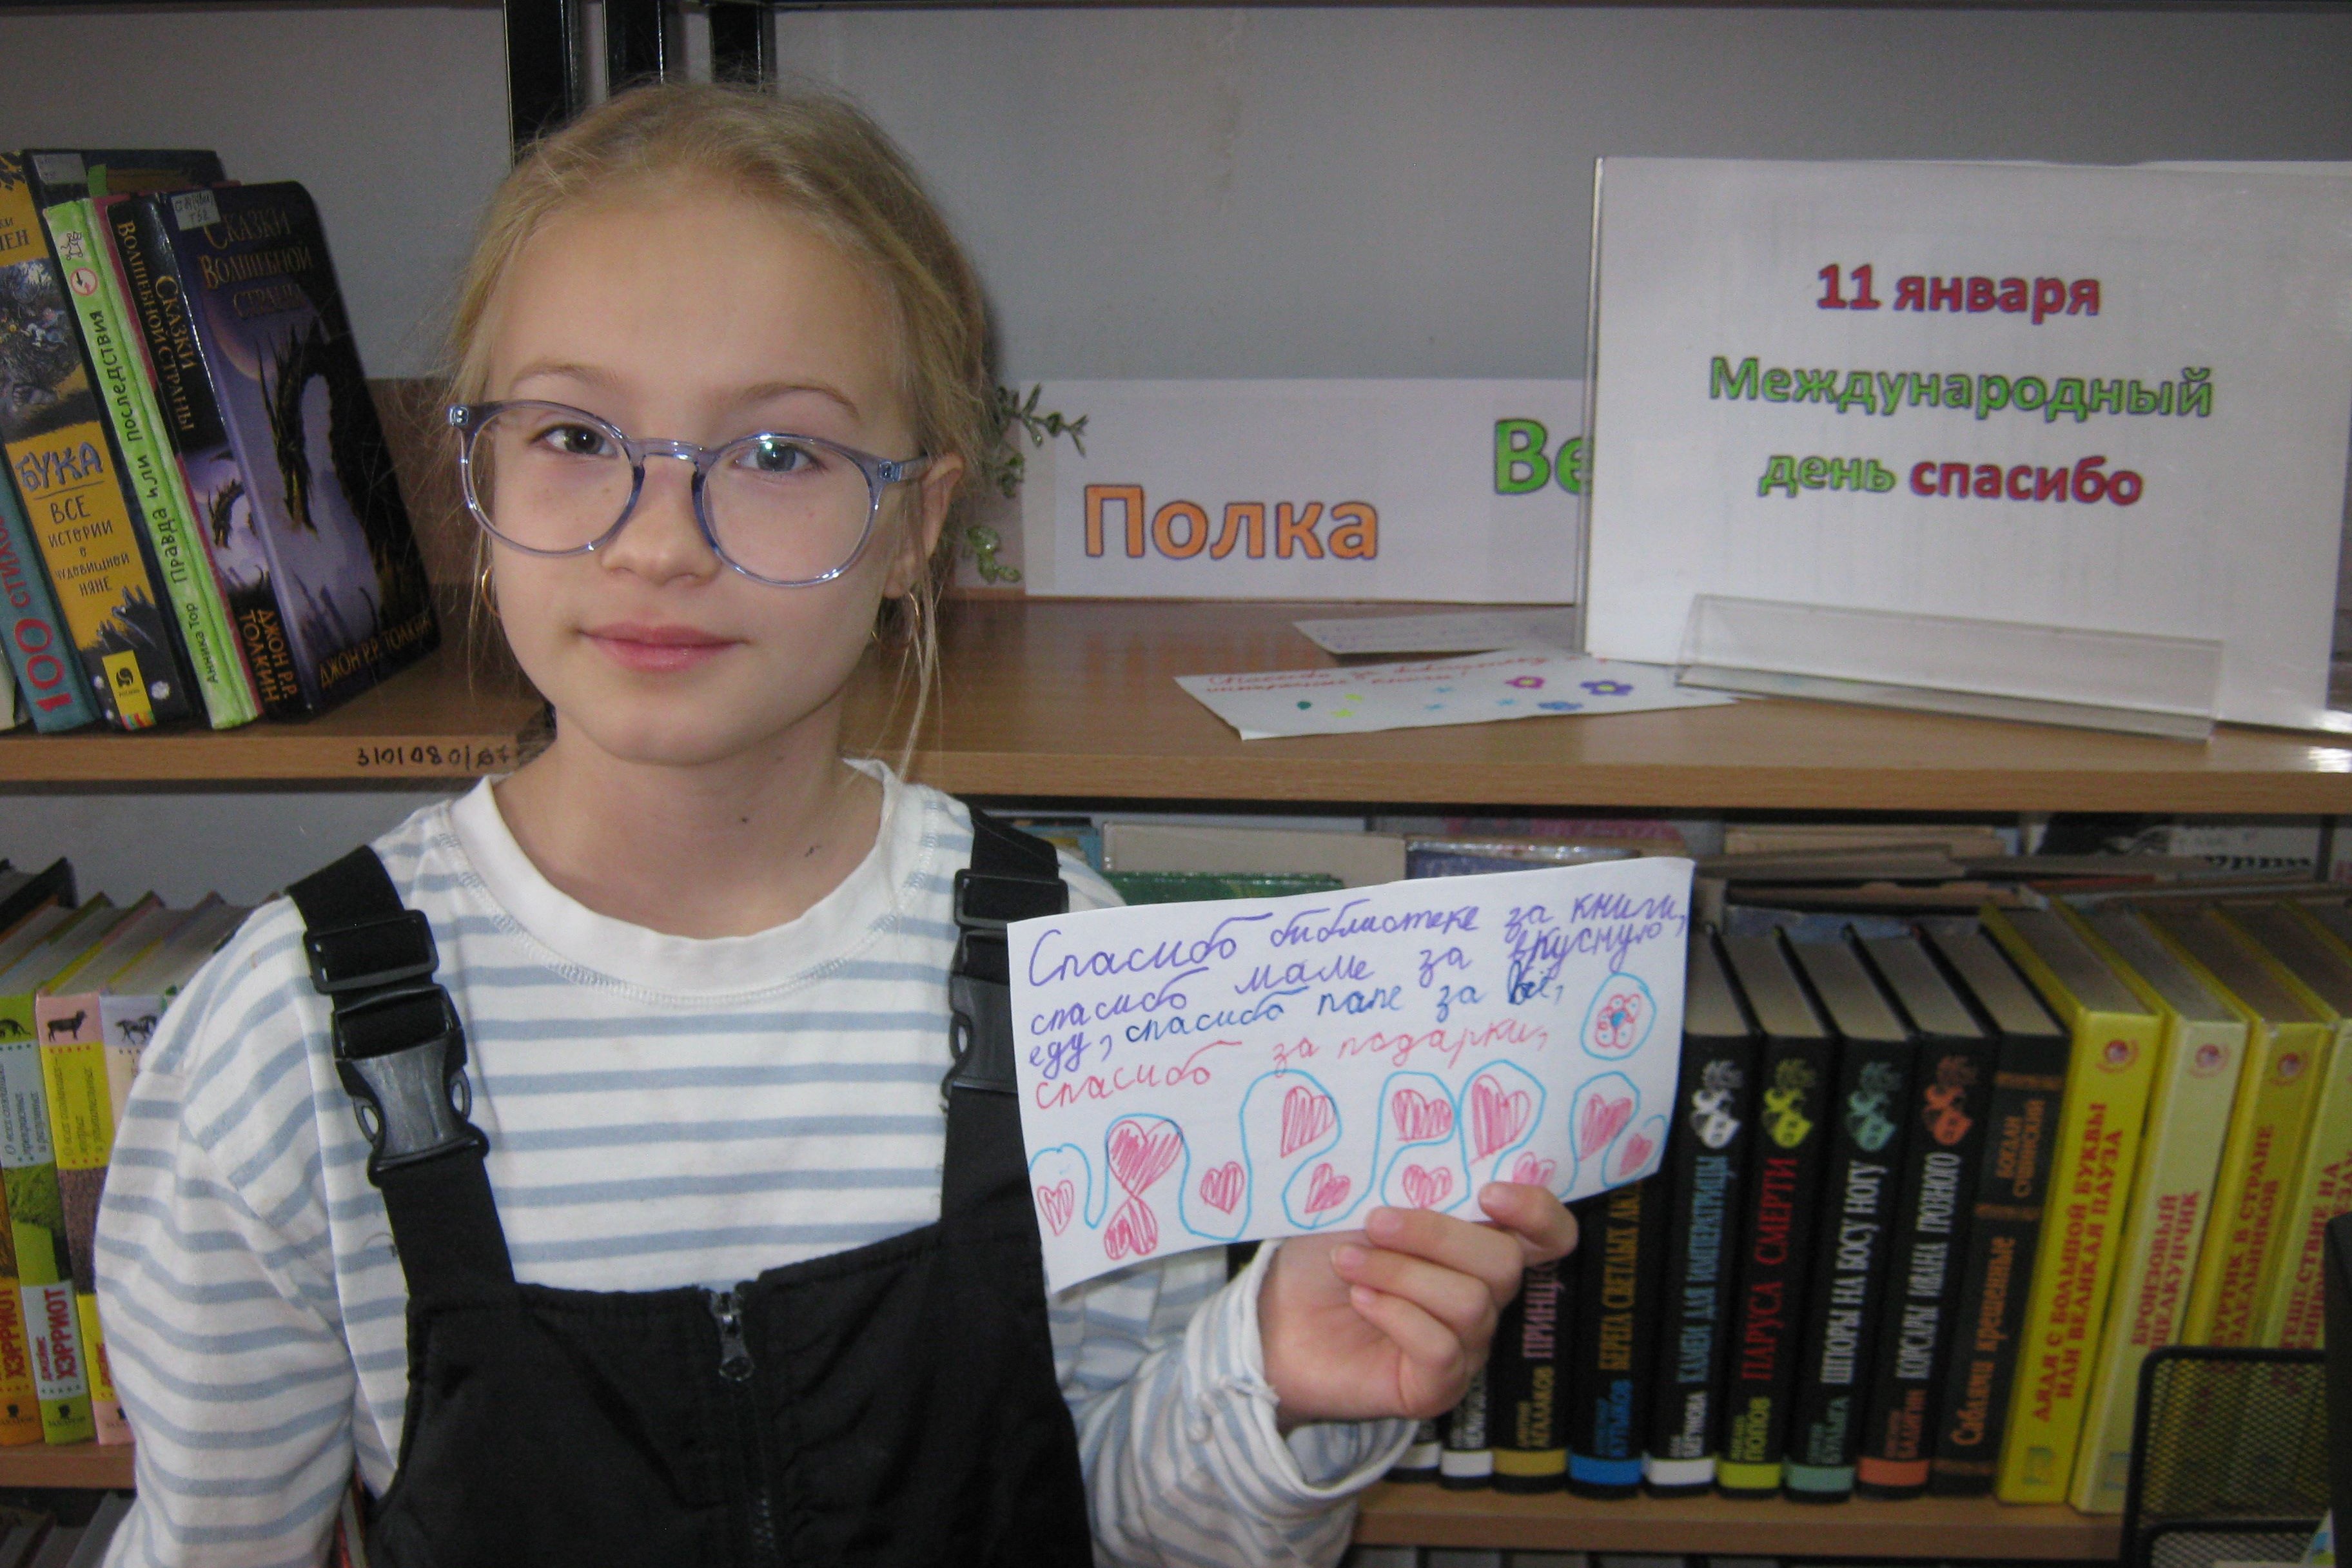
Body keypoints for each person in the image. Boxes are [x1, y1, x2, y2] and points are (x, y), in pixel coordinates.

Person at [94, 83, 1576, 1568]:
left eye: (779, 455)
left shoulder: (1066, 973)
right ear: (477, 470)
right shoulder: (283, 1045)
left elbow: (1128, 1523)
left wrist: (1277, 1390)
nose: (658, 541)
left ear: (916, 526)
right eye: (575, 433)